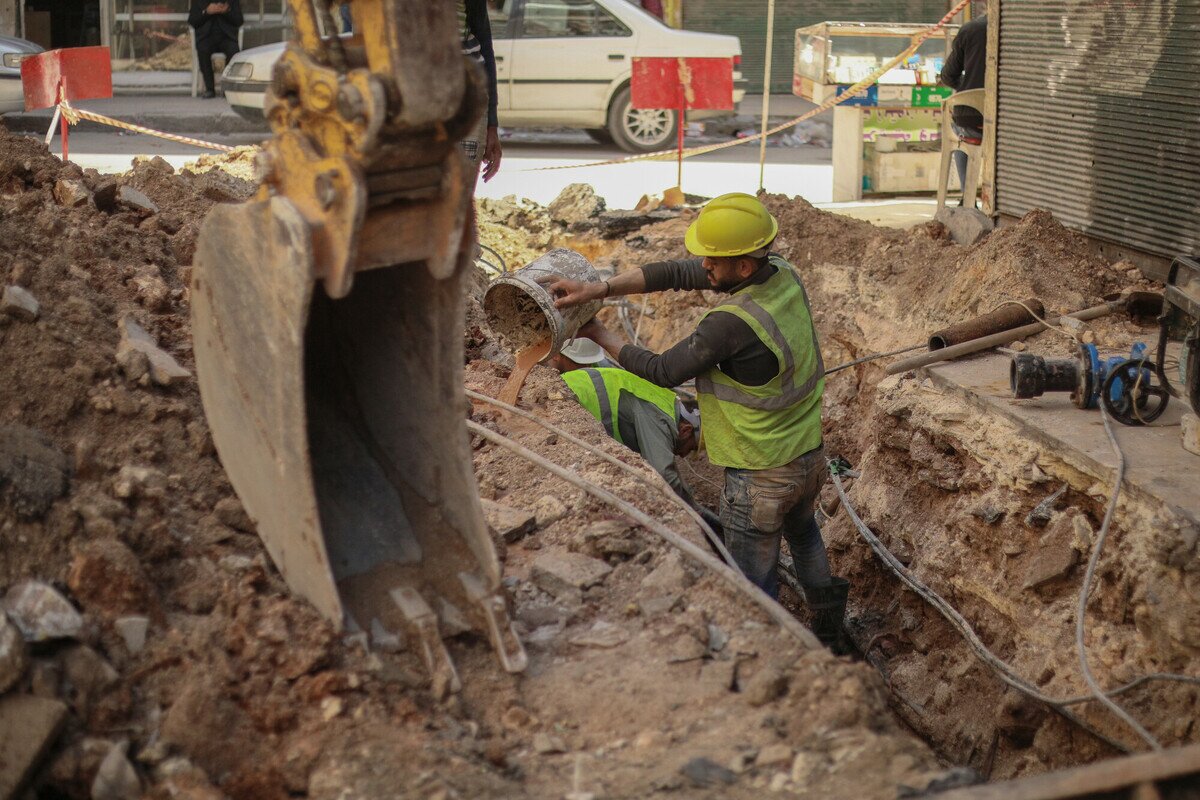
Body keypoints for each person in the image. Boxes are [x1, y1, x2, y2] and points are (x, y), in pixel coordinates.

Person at [544, 193, 849, 649]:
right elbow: (678, 273)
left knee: (752, 584)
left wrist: (599, 333)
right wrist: (599, 290)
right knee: (804, 535)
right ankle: (830, 634)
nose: (703, 265)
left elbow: (663, 370)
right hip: (807, 455)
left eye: (713, 260)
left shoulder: (730, 323)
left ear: (742, 266)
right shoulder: (781, 273)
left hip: (760, 474)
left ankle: (769, 654)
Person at [551, 359, 720, 532]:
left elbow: (666, 465)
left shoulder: (666, 402)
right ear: (686, 430)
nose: (683, 455)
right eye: (690, 448)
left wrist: (693, 503)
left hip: (567, 391)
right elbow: (663, 473)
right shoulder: (660, 418)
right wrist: (692, 511)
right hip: (563, 402)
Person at [940, 14, 987, 201]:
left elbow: (948, 76)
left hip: (972, 120)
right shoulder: (1022, 30)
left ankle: (967, 197)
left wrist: (969, 85)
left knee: (960, 136)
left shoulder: (971, 29)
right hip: (1010, 121)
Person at [459, 0, 502, 182]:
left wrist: (492, 126)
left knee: (461, 188)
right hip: (420, 104)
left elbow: (485, 46)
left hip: (468, 101)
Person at [188, 0, 243, 99]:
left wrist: (226, 11)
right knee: (203, 50)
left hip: (226, 37)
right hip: (206, 37)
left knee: (233, 50)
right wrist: (207, 12)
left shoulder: (231, 2)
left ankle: (227, 88)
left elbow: (239, 21)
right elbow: (193, 21)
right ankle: (209, 89)